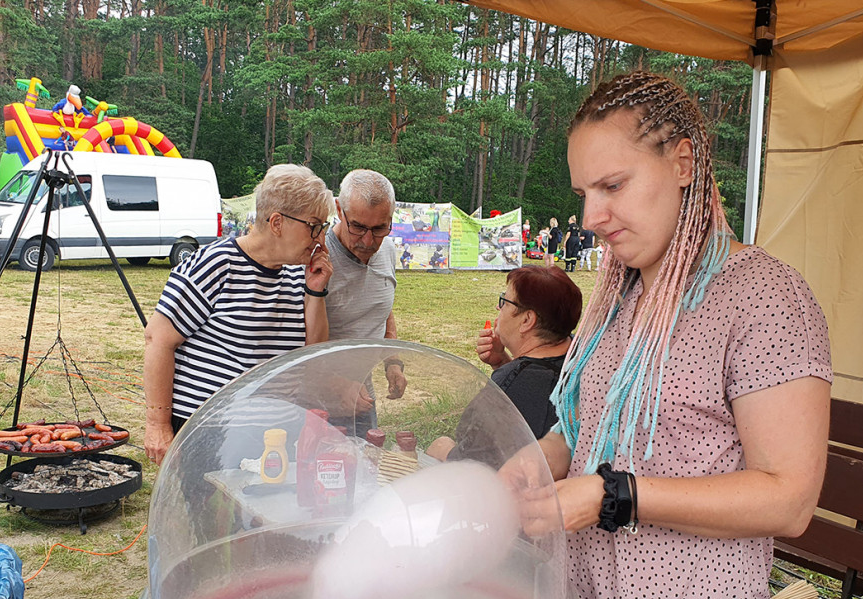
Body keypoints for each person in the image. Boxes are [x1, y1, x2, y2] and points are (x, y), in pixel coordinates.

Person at [538, 72, 832, 599]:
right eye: (584, 192)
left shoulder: (764, 298)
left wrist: (615, 496)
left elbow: (789, 497)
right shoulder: (617, 292)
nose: (590, 215)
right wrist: (512, 473)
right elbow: (579, 434)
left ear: (683, 163)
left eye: (612, 185)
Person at [143, 164, 335, 465]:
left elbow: (312, 355)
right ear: (276, 223)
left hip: (276, 433)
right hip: (211, 434)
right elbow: (157, 339)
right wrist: (157, 426)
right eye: (313, 226)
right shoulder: (217, 263)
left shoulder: (300, 274)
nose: (319, 237)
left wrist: (315, 291)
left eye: (322, 226)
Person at [426, 266, 583, 464]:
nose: (498, 309)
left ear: (527, 320)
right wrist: (503, 361)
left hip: (516, 489)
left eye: (504, 302)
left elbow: (473, 463)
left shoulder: (510, 383)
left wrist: (444, 450)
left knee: (438, 445)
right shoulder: (583, 354)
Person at [313, 168, 407, 431]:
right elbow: (295, 342)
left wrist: (393, 362)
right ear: (339, 210)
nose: (368, 241)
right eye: (358, 227)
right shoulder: (317, 258)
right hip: (317, 406)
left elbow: (383, 308)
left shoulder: (387, 249)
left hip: (363, 398)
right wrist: (336, 385)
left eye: (380, 228)